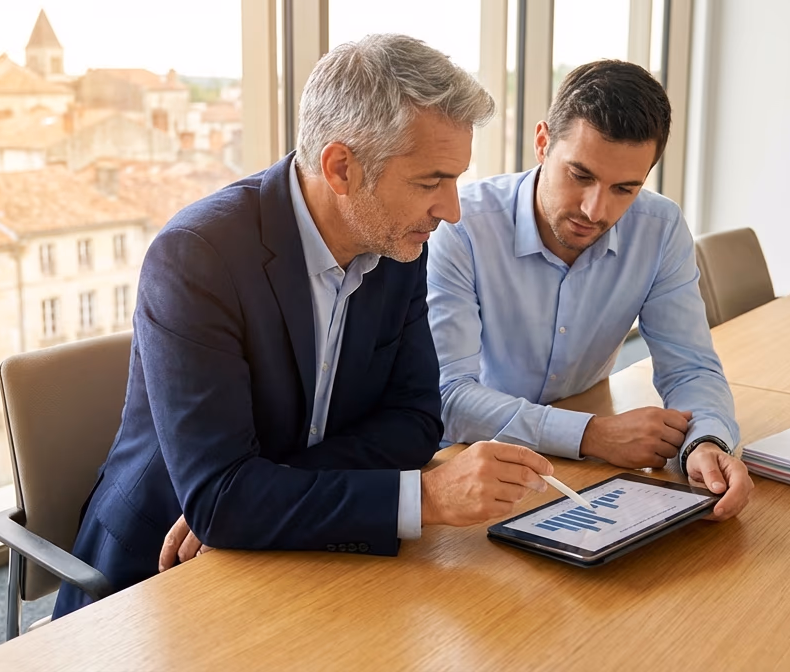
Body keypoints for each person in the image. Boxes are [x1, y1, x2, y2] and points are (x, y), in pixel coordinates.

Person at [54, 34, 553, 618]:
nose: (451, 210)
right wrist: (423, 496)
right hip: (160, 577)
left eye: (455, 180)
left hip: (308, 557)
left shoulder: (396, 244)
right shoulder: (197, 256)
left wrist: (261, 493)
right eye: (430, 181)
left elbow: (417, 422)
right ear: (341, 167)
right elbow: (217, 502)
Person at [427, 59, 753, 521]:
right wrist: (591, 435)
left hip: (584, 472)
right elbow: (449, 398)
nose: (595, 210)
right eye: (580, 176)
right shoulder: (463, 228)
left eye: (625, 188)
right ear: (542, 143)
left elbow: (691, 367)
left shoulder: (659, 228)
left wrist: (706, 440)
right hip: (474, 462)